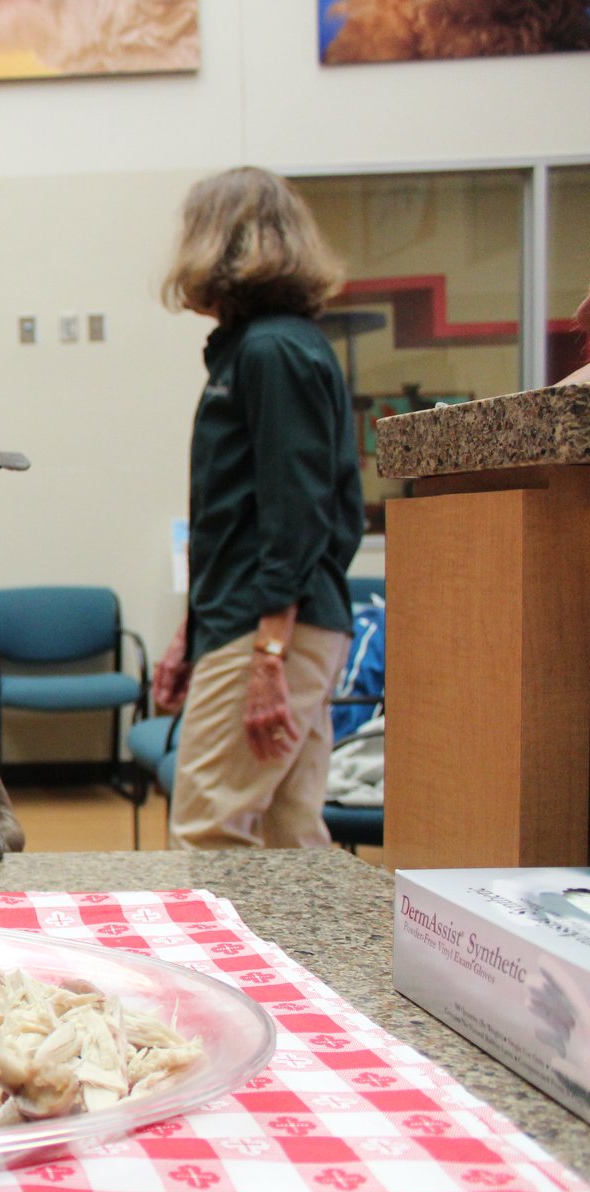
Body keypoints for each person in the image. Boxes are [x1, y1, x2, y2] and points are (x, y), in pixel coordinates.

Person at [151, 166, 364, 850]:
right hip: (262, 620)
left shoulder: (273, 351)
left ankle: (207, 964)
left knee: (208, 831)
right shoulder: (264, 349)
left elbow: (296, 512)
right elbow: (235, 515)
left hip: (270, 625)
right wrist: (192, 633)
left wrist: (268, 652)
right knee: (291, 834)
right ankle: (325, 961)